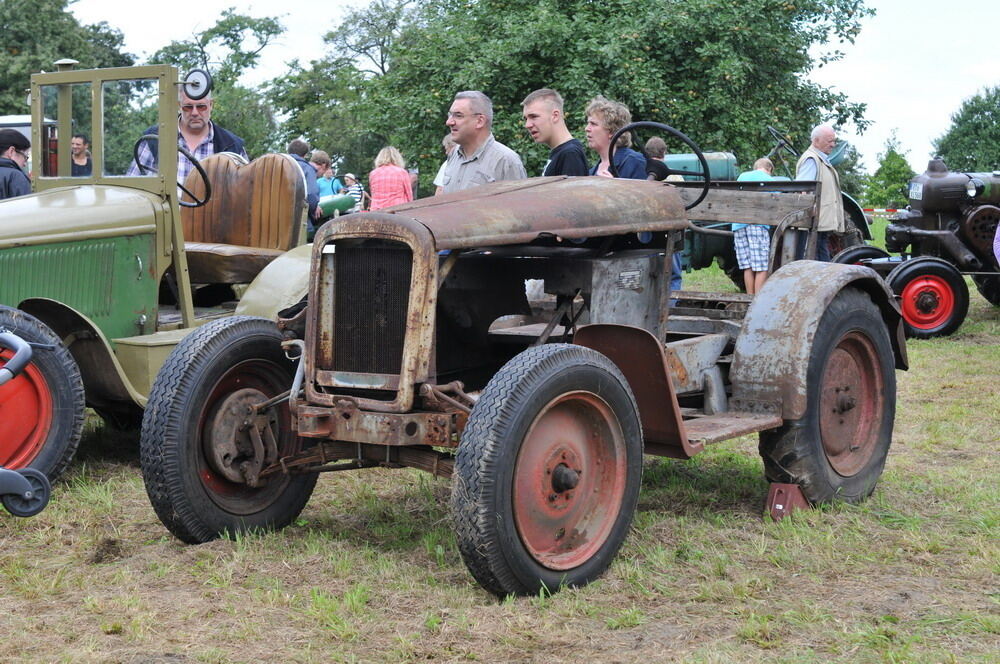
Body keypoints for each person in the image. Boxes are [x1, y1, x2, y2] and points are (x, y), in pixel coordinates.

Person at [128, 91, 248, 183]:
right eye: (188, 107)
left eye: (201, 106)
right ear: (179, 106)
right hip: (165, 215)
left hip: (213, 216)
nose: (195, 113)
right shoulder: (155, 138)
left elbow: (246, 192)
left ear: (211, 105)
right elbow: (132, 186)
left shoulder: (232, 145)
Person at [442, 90, 526, 193]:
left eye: (458, 115)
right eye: (450, 115)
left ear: (480, 121)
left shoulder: (506, 160)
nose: (449, 122)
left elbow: (518, 205)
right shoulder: (454, 154)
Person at [795, 124, 845, 261]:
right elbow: (802, 190)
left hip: (821, 222)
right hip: (814, 222)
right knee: (815, 257)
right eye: (829, 141)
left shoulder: (821, 160)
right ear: (816, 141)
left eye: (834, 141)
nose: (833, 145)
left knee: (821, 255)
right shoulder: (811, 160)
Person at [521, 88, 588, 176]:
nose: (527, 125)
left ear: (555, 116)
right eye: (526, 119)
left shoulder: (570, 154)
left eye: (534, 116)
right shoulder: (562, 153)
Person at [734, 158, 776, 294]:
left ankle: (749, 299)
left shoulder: (742, 176)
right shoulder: (769, 179)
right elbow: (779, 202)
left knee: (748, 266)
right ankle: (757, 301)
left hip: (738, 225)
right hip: (757, 224)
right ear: (769, 169)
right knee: (762, 266)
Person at [585, 96, 645, 179]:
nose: (587, 129)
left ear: (612, 131)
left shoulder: (634, 162)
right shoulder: (592, 172)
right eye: (588, 123)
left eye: (593, 124)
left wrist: (614, 186)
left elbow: (646, 191)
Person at [288, 139, 321, 225]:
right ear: (305, 155)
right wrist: (314, 208)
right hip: (297, 219)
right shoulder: (307, 169)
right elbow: (311, 195)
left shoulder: (277, 165)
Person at [0, 129, 31, 200]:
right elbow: (26, 208)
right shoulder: (15, 176)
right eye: (25, 157)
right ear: (11, 151)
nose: (25, 164)